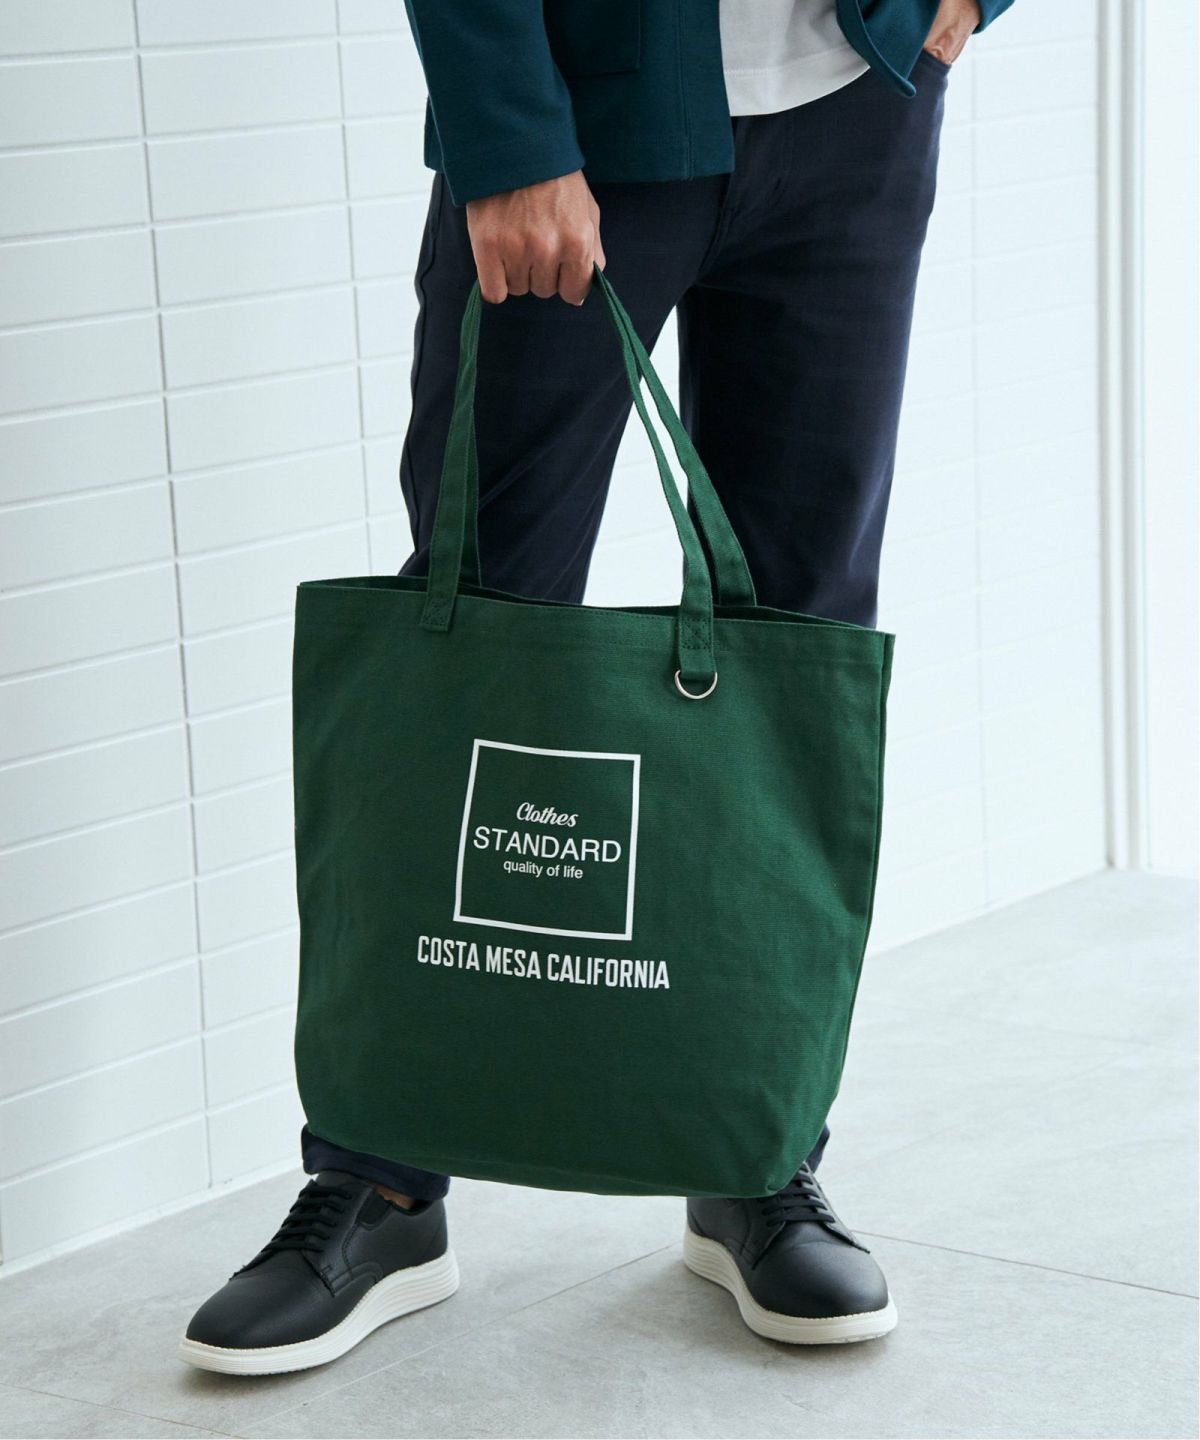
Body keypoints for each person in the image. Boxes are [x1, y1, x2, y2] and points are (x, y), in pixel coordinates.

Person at [180, 0, 1011, 1376]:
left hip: (858, 107)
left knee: (794, 648)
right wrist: (509, 141)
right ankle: (383, 1183)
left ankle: (753, 1150)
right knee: (470, 632)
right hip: (584, 106)